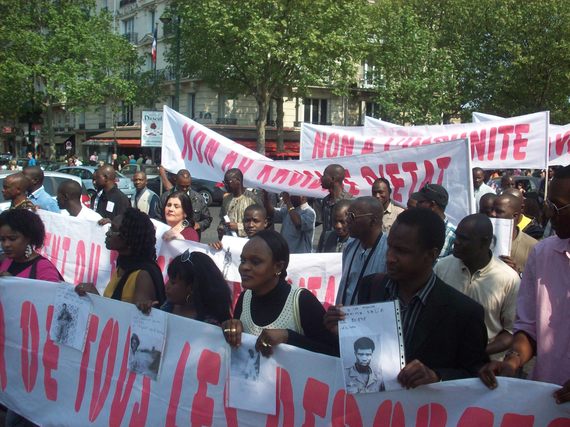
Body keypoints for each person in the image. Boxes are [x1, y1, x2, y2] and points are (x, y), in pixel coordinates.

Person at [326, 208, 489, 387]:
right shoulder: (371, 287)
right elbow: (360, 352)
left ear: (431, 255)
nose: (390, 257)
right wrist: (340, 333)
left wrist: (437, 377)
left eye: (401, 251)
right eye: (390, 247)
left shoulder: (464, 313)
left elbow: (477, 377)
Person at [478, 165, 570, 403]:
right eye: (548, 204)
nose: (548, 214)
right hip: (547, 402)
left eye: (557, 206)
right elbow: (528, 328)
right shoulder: (543, 255)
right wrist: (513, 360)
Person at [221, 230, 337, 356]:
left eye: (255, 262)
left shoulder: (301, 301)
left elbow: (333, 352)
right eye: (243, 260)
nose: (244, 267)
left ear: (278, 267)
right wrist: (231, 328)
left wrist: (288, 337)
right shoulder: (245, 298)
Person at [433, 214, 520, 358]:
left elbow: (510, 332)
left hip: (484, 368)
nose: (456, 242)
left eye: (464, 239)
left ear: (484, 243)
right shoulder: (442, 267)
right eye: (457, 236)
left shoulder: (509, 280)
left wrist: (478, 352)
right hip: (443, 360)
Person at [76, 208, 165, 305]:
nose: (107, 233)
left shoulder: (143, 275)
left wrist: (96, 298)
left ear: (128, 237)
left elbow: (131, 318)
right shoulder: (123, 264)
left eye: (113, 229)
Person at [138, 250, 232, 325]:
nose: (167, 286)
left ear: (191, 288)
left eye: (173, 282)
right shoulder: (167, 307)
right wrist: (148, 314)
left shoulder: (210, 325)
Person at [335, 196, 387, 306]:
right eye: (347, 215)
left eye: (352, 216)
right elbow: (345, 286)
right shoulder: (350, 246)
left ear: (372, 221)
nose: (347, 220)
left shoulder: (388, 251)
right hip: (345, 319)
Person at [0, 209, 63, 282]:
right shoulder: (7, 261)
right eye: (2, 239)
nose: (6, 244)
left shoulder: (44, 268)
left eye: (12, 239)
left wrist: (14, 284)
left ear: (29, 238)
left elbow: (50, 292)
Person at [489, 193, 537, 274]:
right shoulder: (483, 239)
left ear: (515, 216)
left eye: (499, 211)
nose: (492, 214)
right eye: (492, 210)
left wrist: (516, 274)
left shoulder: (533, 247)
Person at [159, 168, 212, 240]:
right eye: (181, 186)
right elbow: (157, 218)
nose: (184, 189)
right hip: (168, 239)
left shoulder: (198, 198)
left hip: (191, 240)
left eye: (187, 186)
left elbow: (207, 219)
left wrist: (199, 225)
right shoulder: (165, 197)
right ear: (176, 181)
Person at [414, 183, 456, 258]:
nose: (416, 204)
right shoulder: (415, 229)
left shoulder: (453, 236)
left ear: (432, 205)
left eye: (420, 202)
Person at [218, 168, 259, 239]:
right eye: (224, 182)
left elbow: (259, 224)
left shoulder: (252, 199)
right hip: (229, 241)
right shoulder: (226, 199)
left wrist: (238, 227)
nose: (225, 185)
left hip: (248, 242)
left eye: (228, 182)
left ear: (238, 181)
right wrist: (221, 229)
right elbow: (223, 219)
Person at [316, 164, 352, 232]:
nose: (321, 178)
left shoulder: (350, 202)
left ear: (333, 179)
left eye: (324, 175)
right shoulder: (325, 201)